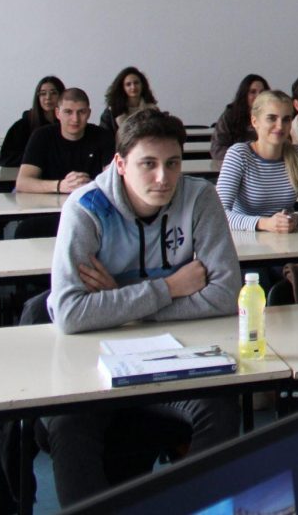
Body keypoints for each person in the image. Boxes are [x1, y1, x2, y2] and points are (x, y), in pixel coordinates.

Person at [44, 108, 240, 506]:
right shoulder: (86, 208)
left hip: (175, 353)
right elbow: (70, 312)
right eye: (148, 164)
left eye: (173, 163)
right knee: (68, 426)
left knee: (219, 412)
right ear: (120, 164)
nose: (163, 177)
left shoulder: (200, 197)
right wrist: (169, 287)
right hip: (93, 360)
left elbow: (225, 294)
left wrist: (118, 297)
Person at [216, 90, 298, 232]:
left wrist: (295, 219)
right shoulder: (239, 154)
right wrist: (265, 223)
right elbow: (218, 213)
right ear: (255, 121)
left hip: (286, 238)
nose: (280, 126)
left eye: (286, 119)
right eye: (272, 118)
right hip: (245, 238)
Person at [16, 88, 116, 195]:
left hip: (89, 199)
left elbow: (112, 180)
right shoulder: (41, 136)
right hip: (48, 200)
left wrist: (88, 185)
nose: (75, 119)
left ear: (88, 113)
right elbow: (22, 182)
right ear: (57, 113)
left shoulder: (103, 136)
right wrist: (60, 186)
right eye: (68, 112)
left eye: (81, 112)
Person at [0, 75, 65, 168]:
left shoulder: (68, 124)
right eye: (43, 94)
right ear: (38, 97)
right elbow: (7, 158)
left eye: (53, 93)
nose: (48, 97)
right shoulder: (23, 125)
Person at [209, 73, 268, 163]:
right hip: (237, 163)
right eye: (253, 92)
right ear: (244, 95)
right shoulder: (230, 115)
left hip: (266, 163)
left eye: (262, 92)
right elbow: (217, 149)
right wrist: (244, 156)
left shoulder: (273, 116)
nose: (258, 96)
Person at [100, 66, 158, 135]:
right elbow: (104, 137)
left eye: (136, 83)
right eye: (128, 84)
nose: (133, 87)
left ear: (142, 85)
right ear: (122, 88)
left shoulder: (153, 110)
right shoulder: (111, 113)